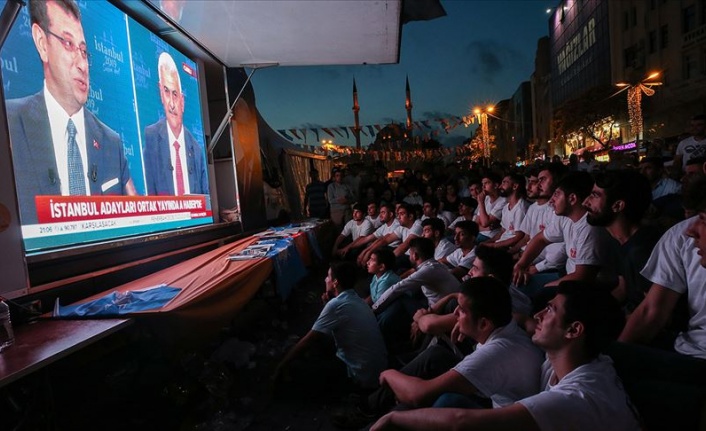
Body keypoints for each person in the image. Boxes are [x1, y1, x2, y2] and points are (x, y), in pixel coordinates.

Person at [370, 282, 641, 431]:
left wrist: (394, 418)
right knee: (441, 377)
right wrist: (473, 324)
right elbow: (525, 322)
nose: (539, 316)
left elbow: (460, 423)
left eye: (549, 310)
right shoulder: (578, 359)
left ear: (574, 330)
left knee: (410, 412)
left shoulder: (574, 398)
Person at [7, 0, 136, 223]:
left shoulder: (111, 143)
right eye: (68, 43)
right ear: (42, 42)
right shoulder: (9, 125)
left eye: (84, 51)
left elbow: (138, 221)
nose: (82, 65)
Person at [273, 262, 387, 390]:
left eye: (328, 276)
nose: (325, 279)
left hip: (359, 375)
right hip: (375, 369)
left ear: (335, 282)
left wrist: (282, 365)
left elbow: (309, 339)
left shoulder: (336, 304)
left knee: (294, 372)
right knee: (316, 346)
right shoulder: (356, 299)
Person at [514, 172, 604, 296]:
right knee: (516, 285)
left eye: (556, 195)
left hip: (583, 288)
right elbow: (540, 239)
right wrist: (521, 265)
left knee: (529, 291)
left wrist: (548, 286)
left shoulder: (589, 228)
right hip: (566, 276)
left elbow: (582, 276)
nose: (551, 201)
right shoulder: (565, 219)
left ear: (572, 198)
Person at [583, 171, 661, 311]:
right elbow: (623, 288)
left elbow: (653, 314)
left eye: (595, 196)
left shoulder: (642, 250)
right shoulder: (617, 240)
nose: (585, 202)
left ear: (618, 206)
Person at [143, 52, 208, 196]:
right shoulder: (150, 138)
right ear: (161, 94)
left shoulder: (196, 150)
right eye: (166, 92)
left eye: (175, 94)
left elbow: (206, 202)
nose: (171, 104)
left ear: (182, 101)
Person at [484, 173, 528, 250]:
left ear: (515, 186)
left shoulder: (521, 208)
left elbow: (519, 237)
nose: (500, 186)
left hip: (509, 247)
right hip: (500, 243)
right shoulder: (506, 207)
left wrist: (494, 245)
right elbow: (502, 231)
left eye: (504, 182)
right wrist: (489, 242)